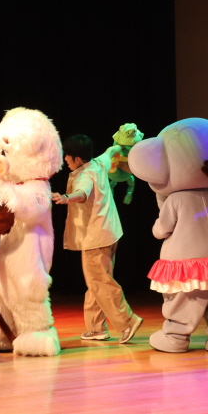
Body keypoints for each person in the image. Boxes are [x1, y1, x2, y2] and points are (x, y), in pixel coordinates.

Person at [52, 134, 143, 344]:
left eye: (68, 156)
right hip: (109, 232)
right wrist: (120, 145)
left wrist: (65, 198)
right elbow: (112, 151)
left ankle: (128, 321)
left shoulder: (85, 175)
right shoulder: (99, 163)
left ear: (78, 159)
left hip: (96, 237)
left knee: (101, 282)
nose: (65, 159)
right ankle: (96, 328)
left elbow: (81, 194)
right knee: (96, 281)